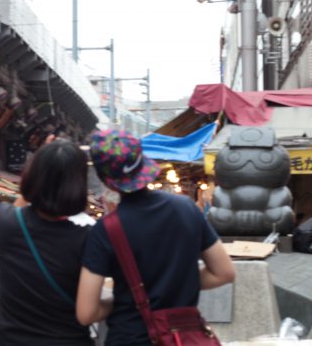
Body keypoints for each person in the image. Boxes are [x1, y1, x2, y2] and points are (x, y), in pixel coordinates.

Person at [76, 129, 235, 345]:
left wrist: (126, 298)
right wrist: (177, 283)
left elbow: (86, 312)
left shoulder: (106, 230)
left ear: (107, 180)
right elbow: (224, 273)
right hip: (182, 338)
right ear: (144, 165)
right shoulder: (186, 208)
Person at [0, 139, 93, 345]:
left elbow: (22, 203)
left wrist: (45, 158)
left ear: (33, 175)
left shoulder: (4, 220)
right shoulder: (90, 238)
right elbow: (88, 312)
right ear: (79, 182)